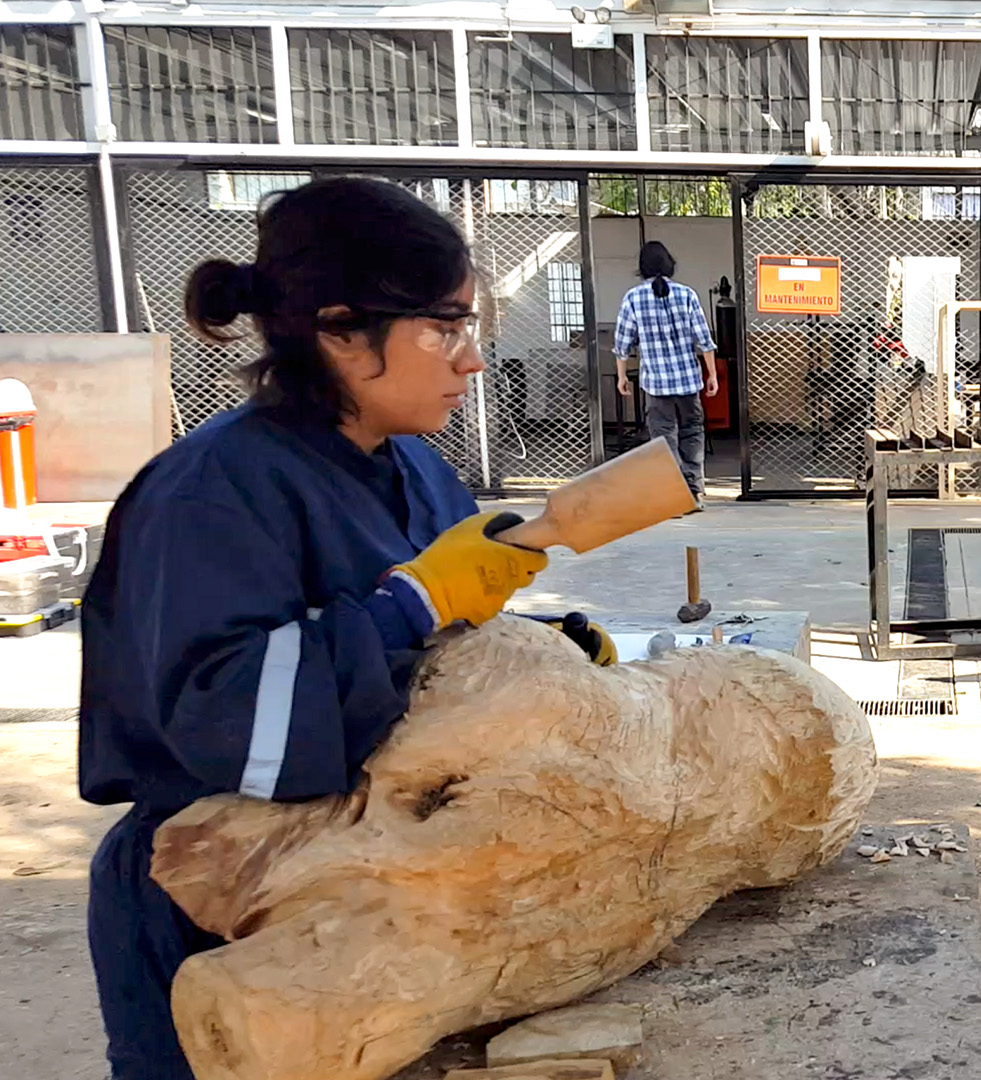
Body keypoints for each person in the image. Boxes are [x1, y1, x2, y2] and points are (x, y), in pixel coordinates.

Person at [77, 177, 625, 1080]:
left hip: (372, 889)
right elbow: (234, 727)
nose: (472, 362)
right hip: (218, 896)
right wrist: (413, 604)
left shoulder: (414, 466)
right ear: (338, 329)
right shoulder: (212, 493)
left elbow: (427, 650)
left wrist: (533, 654)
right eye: (445, 329)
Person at [615, 240, 719, 511]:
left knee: (663, 438)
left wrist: (622, 376)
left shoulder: (633, 298)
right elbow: (704, 340)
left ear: (642, 267)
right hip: (688, 381)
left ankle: (674, 497)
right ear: (670, 264)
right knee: (692, 432)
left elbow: (622, 343)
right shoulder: (687, 294)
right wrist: (712, 375)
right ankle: (694, 492)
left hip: (656, 384)